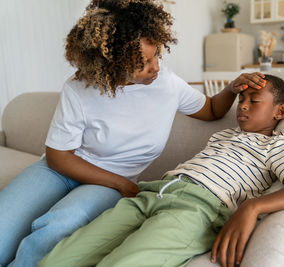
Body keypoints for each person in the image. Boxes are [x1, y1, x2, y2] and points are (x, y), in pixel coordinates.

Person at [0, 1, 266, 266]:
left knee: (58, 225)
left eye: (157, 55)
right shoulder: (79, 88)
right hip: (58, 170)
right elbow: (59, 157)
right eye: (143, 63)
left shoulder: (167, 84)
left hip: (109, 181)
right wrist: (123, 185)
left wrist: (232, 88)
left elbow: (210, 109)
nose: (156, 67)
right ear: (111, 64)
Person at [38, 74, 284, 267]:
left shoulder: (277, 146)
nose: (243, 107)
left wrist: (251, 208)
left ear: (280, 112)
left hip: (196, 210)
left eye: (255, 102)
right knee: (59, 259)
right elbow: (216, 108)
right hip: (151, 194)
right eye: (241, 101)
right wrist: (231, 88)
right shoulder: (224, 136)